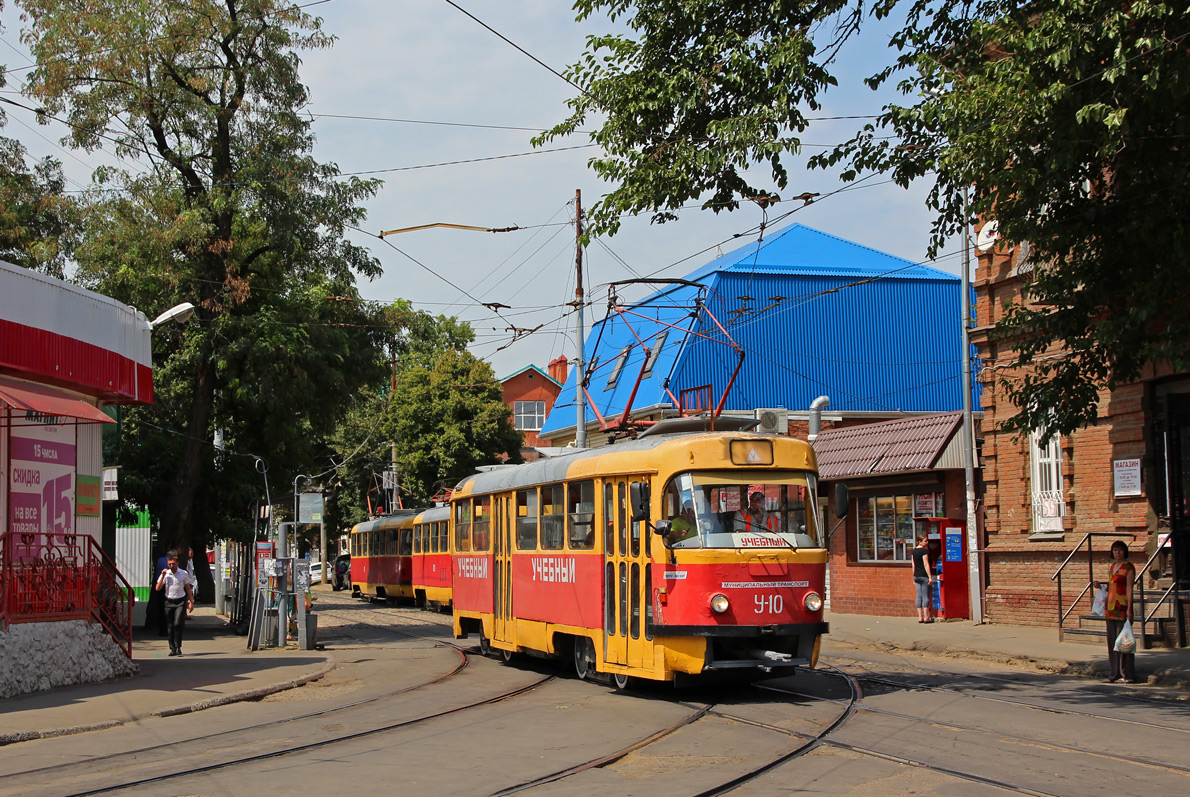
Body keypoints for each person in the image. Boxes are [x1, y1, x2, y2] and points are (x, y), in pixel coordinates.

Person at [1097, 539, 1136, 683]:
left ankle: (1127, 674)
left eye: (1119, 550)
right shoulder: (1113, 566)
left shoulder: (1128, 567)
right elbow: (1110, 585)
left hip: (1122, 607)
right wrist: (1100, 586)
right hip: (1111, 608)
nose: (1117, 552)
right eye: (1115, 550)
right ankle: (1114, 674)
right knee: (1112, 642)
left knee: (1124, 642)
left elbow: (1129, 589)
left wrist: (1130, 609)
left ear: (1125, 551)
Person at [155, 549, 194, 656]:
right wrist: (162, 576)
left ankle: (178, 646)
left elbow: (187, 588)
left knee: (178, 624)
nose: (171, 566)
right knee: (170, 626)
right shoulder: (166, 574)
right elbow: (157, 588)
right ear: (167, 564)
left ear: (177, 563)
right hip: (169, 601)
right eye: (169, 564)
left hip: (180, 601)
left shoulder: (183, 573)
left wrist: (191, 602)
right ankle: (172, 647)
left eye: (173, 564)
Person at [911, 535, 934, 623]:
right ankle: (926, 617)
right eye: (925, 541)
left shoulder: (914, 551)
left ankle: (920, 617)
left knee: (918, 596)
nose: (927, 542)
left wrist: (913, 576)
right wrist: (930, 577)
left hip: (916, 576)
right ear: (920, 542)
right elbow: (926, 564)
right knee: (925, 596)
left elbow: (913, 565)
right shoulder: (924, 551)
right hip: (924, 576)